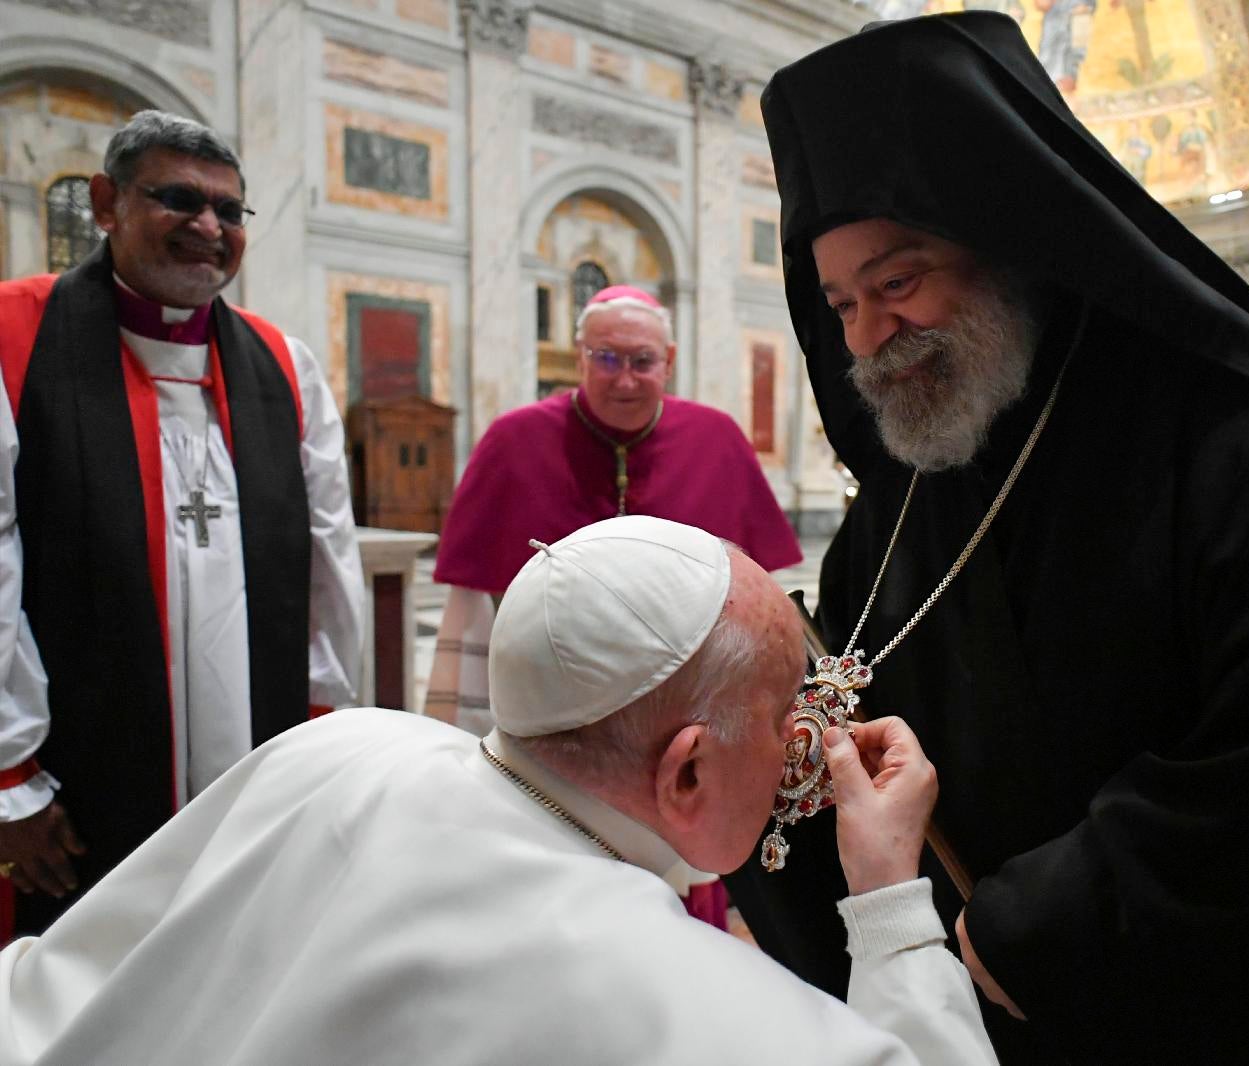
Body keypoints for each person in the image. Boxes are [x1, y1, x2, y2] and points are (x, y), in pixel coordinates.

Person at [726, 13, 1249, 1064]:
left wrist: (1058, 914)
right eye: (840, 301)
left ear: (1011, 237)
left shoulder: (1242, 438)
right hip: (967, 1001)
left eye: (897, 283)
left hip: (1201, 1012)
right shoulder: (917, 472)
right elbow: (861, 669)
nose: (865, 338)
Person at [0, 516, 997, 1066]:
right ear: (686, 769)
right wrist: (889, 904)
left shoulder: (336, 749)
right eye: (786, 709)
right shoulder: (688, 1007)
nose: (805, 740)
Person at [0, 112, 363, 939]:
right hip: (74, 766)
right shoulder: (15, 337)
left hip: (257, 747)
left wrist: (324, 727)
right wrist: (8, 775)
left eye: (229, 212)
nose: (209, 228)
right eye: (178, 200)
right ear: (105, 203)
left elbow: (328, 560)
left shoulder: (283, 363)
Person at [425, 285, 802, 738]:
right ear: (580, 357)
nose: (624, 380)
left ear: (670, 360)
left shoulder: (716, 439)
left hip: (686, 704)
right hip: (552, 701)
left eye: (642, 361)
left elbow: (754, 602)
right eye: (606, 358)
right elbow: (473, 614)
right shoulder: (514, 441)